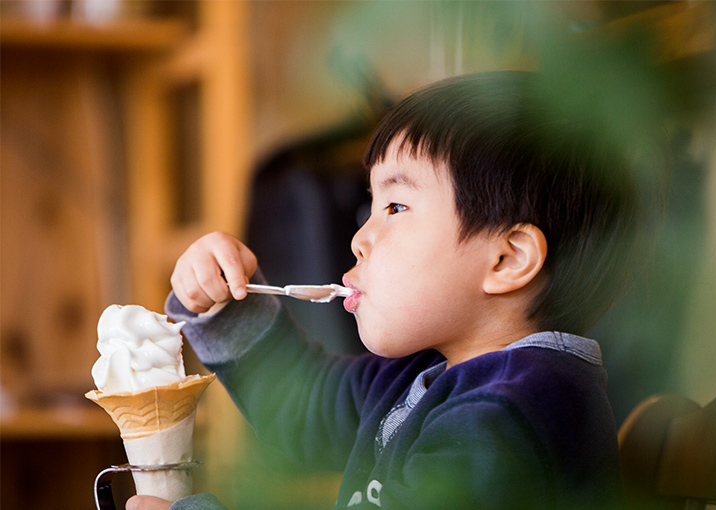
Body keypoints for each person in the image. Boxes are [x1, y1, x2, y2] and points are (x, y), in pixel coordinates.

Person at [128, 71, 645, 510]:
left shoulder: (508, 416)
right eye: (369, 207)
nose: (359, 239)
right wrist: (221, 306)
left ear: (507, 259)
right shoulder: (428, 375)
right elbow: (300, 409)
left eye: (395, 208)